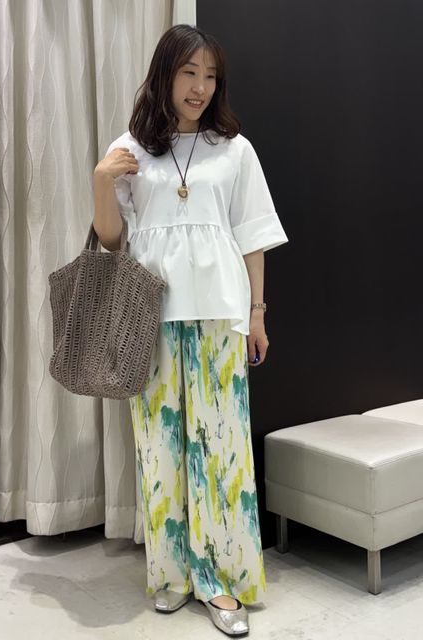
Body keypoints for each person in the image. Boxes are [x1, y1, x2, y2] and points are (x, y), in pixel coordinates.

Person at [92, 23, 288, 637]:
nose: (200, 86)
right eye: (188, 72)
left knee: (219, 449)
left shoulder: (234, 150)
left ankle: (220, 578)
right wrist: (101, 181)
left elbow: (252, 236)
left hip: (218, 314)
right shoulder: (131, 148)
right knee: (160, 446)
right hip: (148, 317)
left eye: (210, 76)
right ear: (165, 74)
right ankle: (173, 573)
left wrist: (257, 313)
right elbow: (112, 241)